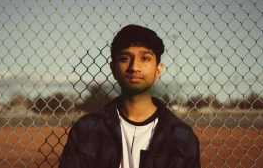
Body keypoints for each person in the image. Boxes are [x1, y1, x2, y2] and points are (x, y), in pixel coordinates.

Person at [59, 24, 200, 168]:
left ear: (158, 70)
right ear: (113, 69)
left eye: (145, 58)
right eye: (125, 58)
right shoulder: (86, 130)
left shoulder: (181, 136)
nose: (134, 67)